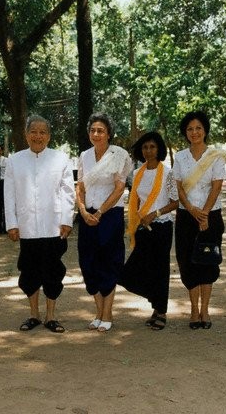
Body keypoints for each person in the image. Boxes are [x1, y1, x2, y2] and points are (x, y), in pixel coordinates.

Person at [4, 115, 75, 333]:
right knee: (29, 272)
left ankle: (51, 316)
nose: (38, 136)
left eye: (42, 132)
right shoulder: (15, 160)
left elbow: (68, 193)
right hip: (27, 228)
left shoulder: (61, 159)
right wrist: (12, 224)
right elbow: (9, 195)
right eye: (33, 131)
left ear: (49, 136)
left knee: (53, 272)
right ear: (26, 135)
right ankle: (33, 314)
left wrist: (66, 219)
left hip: (53, 226)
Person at [76, 113, 133, 332]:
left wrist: (100, 212)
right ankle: (98, 311)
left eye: (101, 130)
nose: (96, 134)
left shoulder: (118, 154)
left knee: (109, 262)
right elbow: (80, 186)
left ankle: (107, 313)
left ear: (109, 133)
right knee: (88, 262)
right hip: (87, 215)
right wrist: (82, 210)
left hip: (109, 216)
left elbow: (120, 188)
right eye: (93, 130)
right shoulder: (84, 156)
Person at [173, 110, 226, 330]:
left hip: (210, 216)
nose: (194, 132)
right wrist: (190, 209)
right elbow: (178, 187)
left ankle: (205, 310)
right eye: (189, 129)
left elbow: (216, 186)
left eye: (198, 128)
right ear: (185, 133)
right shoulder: (180, 157)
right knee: (187, 262)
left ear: (205, 130)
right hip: (186, 216)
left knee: (207, 262)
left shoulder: (215, 156)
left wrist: (204, 214)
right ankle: (193, 310)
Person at [119, 132, 178, 331]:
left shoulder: (168, 173)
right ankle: (155, 301)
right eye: (145, 147)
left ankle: (160, 312)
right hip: (143, 227)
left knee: (160, 269)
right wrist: (138, 220)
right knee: (132, 271)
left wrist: (156, 213)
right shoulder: (137, 174)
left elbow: (175, 202)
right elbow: (135, 201)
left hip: (162, 226)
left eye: (152, 147)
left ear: (159, 149)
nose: (148, 151)